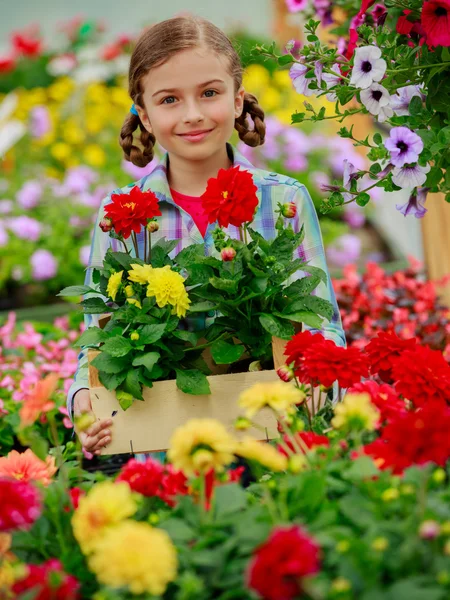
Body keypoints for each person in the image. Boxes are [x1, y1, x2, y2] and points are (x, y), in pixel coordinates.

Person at [67, 14, 346, 457]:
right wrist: (84, 402)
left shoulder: (281, 199)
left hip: (274, 432)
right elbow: (98, 342)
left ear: (238, 100)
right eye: (170, 99)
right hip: (167, 445)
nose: (193, 114)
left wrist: (318, 384)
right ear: (144, 114)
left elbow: (321, 322)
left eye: (210, 93)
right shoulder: (123, 213)